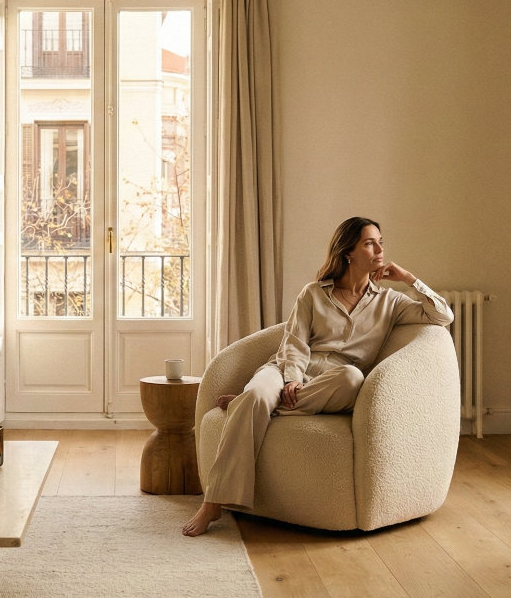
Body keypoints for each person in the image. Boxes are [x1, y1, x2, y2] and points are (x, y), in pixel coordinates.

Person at [182, 217, 454, 537]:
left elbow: (443, 316)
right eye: (369, 243)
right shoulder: (313, 293)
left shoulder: (390, 302)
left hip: (335, 381)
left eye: (381, 241)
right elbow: (293, 342)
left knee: (353, 377)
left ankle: (248, 405)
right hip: (286, 367)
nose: (380, 249)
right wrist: (291, 379)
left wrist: (409, 279)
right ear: (348, 252)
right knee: (259, 393)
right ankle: (214, 502)